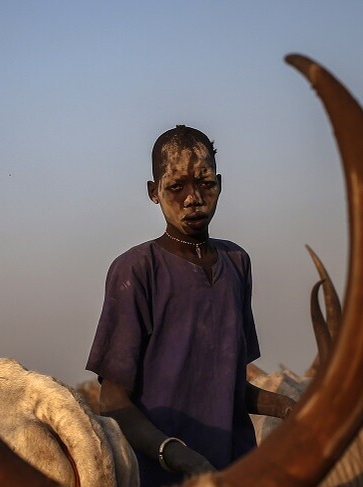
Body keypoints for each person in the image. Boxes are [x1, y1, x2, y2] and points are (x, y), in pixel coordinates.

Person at [86, 125, 294, 485]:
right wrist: (175, 453)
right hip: (160, 475)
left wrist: (289, 407)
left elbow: (227, 387)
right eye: (176, 186)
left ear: (220, 185)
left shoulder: (236, 262)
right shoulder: (136, 269)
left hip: (235, 471)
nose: (193, 198)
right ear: (154, 192)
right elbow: (114, 401)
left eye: (206, 183)